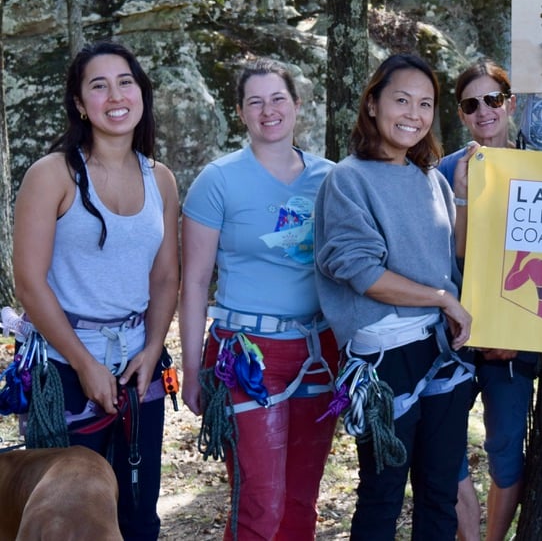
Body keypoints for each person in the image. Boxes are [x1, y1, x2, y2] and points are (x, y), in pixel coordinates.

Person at [12, 41, 180, 541]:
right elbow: (28, 281)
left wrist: (152, 350)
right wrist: (84, 363)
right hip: (62, 369)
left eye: (125, 81)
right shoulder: (52, 174)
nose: (115, 95)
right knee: (65, 519)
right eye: (98, 86)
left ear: (141, 93)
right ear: (81, 104)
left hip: (137, 368)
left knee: (138, 513)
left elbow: (165, 277)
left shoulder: (162, 179)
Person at [315, 53, 476, 540]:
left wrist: (463, 195)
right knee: (382, 494)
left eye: (425, 104)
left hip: (439, 353)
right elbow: (363, 273)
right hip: (385, 360)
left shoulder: (429, 178)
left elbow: (451, 255)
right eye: (401, 100)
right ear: (372, 104)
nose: (413, 113)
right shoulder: (347, 179)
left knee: (440, 491)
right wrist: (443, 301)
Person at [179, 59, 338, 540]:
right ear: (240, 113)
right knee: (259, 504)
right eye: (255, 102)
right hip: (246, 354)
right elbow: (193, 282)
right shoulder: (218, 180)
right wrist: (190, 371)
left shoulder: (330, 179)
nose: (268, 110)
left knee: (300, 502)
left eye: (278, 99)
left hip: (318, 352)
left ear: (296, 105)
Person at [440, 61, 538, 541]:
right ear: (461, 114)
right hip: (454, 337)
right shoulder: (443, 171)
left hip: (515, 343)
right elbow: (444, 257)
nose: (484, 111)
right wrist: (460, 197)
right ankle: (469, 535)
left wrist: (518, 335)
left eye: (493, 100)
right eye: (471, 104)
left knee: (505, 448)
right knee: (443, 443)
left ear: (511, 102)